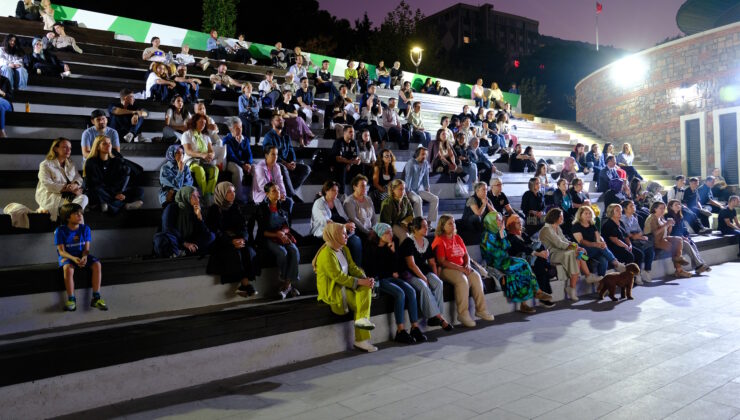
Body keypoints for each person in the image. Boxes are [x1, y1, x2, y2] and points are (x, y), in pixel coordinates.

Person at [313, 223, 377, 353]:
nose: (346, 236)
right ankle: (361, 336)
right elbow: (339, 277)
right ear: (334, 235)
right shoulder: (326, 254)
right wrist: (361, 282)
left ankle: (361, 337)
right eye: (343, 233)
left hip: (344, 286)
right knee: (363, 301)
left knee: (365, 290)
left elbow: (353, 268)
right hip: (332, 291)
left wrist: (365, 278)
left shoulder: (343, 249)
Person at [364, 223, 427, 344]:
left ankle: (415, 327)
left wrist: (393, 252)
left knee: (411, 291)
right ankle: (400, 330)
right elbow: (372, 270)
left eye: (391, 232)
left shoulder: (390, 247)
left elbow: (395, 268)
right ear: (380, 234)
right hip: (379, 280)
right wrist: (390, 272)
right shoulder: (370, 248)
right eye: (387, 233)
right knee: (400, 294)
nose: (390, 235)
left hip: (389, 277)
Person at [481, 211, 553, 314]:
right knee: (522, 265)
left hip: (505, 259)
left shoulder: (500, 231)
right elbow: (494, 253)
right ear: (490, 221)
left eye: (500, 219)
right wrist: (502, 239)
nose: (500, 221)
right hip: (495, 262)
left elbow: (506, 246)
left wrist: (502, 234)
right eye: (497, 219)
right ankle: (536, 292)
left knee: (522, 269)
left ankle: (526, 302)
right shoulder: (487, 235)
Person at [433, 214, 495, 327]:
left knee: (475, 276)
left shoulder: (457, 237)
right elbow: (442, 261)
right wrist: (460, 268)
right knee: (462, 280)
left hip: (462, 267)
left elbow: (465, 253)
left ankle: (481, 310)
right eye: (450, 223)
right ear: (442, 226)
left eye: (454, 223)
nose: (453, 225)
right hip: (446, 269)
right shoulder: (440, 240)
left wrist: (467, 265)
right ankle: (463, 314)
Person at [206, 182, 258, 297]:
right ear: (222, 193)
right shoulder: (214, 209)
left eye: (234, 191)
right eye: (229, 192)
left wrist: (242, 239)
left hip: (238, 239)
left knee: (248, 251)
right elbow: (215, 231)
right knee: (235, 253)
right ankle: (245, 284)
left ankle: (244, 286)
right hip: (222, 241)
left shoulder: (235, 206)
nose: (232, 194)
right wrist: (231, 241)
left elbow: (243, 226)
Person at [400, 217, 453, 331]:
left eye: (426, 226)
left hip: (423, 270)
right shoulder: (408, 242)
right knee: (424, 287)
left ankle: (435, 317)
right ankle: (439, 317)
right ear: (415, 228)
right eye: (423, 226)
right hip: (410, 273)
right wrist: (425, 279)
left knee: (438, 283)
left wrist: (434, 277)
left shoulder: (426, 241)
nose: (427, 228)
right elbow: (411, 265)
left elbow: (432, 262)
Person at [55, 203, 107, 312]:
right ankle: (71, 300)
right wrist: (73, 259)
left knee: (97, 264)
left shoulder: (85, 228)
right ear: (67, 217)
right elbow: (61, 251)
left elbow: (86, 249)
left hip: (81, 255)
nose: (80, 215)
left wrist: (84, 257)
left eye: (81, 213)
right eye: (76, 213)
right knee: (68, 268)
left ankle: (96, 298)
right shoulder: (60, 231)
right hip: (68, 256)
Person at [539, 208, 596, 301]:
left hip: (562, 251)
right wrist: (577, 248)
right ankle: (586, 276)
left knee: (577, 253)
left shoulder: (557, 227)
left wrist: (577, 247)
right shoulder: (546, 229)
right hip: (552, 254)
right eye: (561, 216)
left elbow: (565, 241)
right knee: (577, 253)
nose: (562, 218)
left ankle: (577, 283)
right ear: (555, 217)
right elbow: (559, 244)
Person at [83, 135, 144, 213]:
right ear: (98, 147)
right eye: (104, 144)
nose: (108, 145)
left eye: (110, 143)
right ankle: (122, 206)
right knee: (92, 193)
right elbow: (94, 184)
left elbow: (121, 179)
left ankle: (107, 205)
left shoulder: (116, 160)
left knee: (139, 191)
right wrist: (113, 195)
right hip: (101, 191)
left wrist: (119, 192)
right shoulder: (91, 162)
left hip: (114, 191)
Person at [505, 214, 556, 305]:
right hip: (519, 259)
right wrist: (539, 253)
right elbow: (522, 248)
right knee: (541, 268)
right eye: (517, 223)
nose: (520, 224)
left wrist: (545, 251)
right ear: (512, 224)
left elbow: (531, 243)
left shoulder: (523, 234)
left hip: (530, 258)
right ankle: (547, 268)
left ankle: (544, 296)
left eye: (520, 222)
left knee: (540, 253)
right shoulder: (510, 237)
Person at [153, 186, 215, 258]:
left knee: (211, 236)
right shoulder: (171, 207)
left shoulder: (195, 210)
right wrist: (184, 243)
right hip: (175, 241)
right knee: (160, 239)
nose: (197, 199)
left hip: (189, 242)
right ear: (185, 195)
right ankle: (178, 251)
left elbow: (204, 232)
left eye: (198, 197)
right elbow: (168, 229)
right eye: (194, 196)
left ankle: (183, 252)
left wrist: (199, 217)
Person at [311, 180, 363, 266]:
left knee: (357, 239)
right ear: (326, 191)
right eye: (333, 190)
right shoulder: (319, 203)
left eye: (337, 191)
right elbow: (328, 223)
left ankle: (357, 271)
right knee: (353, 243)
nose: (336, 193)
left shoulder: (337, 201)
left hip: (340, 232)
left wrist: (350, 224)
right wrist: (344, 226)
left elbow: (345, 218)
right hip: (325, 233)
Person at [36, 138, 88, 221]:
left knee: (84, 198)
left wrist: (75, 184)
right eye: (65, 147)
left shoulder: (71, 163)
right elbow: (47, 184)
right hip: (52, 196)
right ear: (55, 149)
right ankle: (76, 227)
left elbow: (78, 178)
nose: (68, 150)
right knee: (76, 211)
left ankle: (69, 220)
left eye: (70, 148)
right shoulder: (45, 164)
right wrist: (68, 189)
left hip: (69, 196)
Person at [571, 205, 622, 279]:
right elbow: (581, 241)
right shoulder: (576, 226)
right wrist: (596, 244)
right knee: (600, 247)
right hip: (582, 252)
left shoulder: (591, 224)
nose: (588, 215)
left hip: (594, 249)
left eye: (589, 213)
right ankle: (616, 263)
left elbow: (598, 237)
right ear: (580, 215)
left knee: (604, 260)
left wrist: (602, 242)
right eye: (586, 213)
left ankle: (601, 279)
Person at [665, 199, 712, 275]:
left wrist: (686, 236)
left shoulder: (680, 216)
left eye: (679, 204)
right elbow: (671, 231)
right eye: (676, 205)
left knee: (692, 244)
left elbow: (684, 229)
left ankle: (698, 267)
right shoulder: (667, 216)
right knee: (687, 243)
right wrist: (682, 237)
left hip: (682, 237)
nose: (678, 206)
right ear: (670, 207)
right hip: (672, 238)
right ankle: (700, 265)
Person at [646, 201, 692, 278]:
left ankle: (678, 261)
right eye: (660, 208)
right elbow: (655, 233)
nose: (663, 210)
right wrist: (666, 224)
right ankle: (679, 270)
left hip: (663, 238)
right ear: (655, 209)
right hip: (655, 240)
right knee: (674, 249)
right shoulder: (652, 218)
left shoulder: (661, 217)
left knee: (679, 239)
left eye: (664, 208)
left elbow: (667, 233)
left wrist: (670, 226)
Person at [181, 114, 218, 205]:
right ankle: (205, 196)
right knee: (199, 170)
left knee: (215, 169)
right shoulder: (186, 134)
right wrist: (202, 155)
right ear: (195, 122)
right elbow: (188, 151)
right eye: (201, 122)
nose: (203, 124)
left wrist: (211, 155)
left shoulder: (206, 137)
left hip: (204, 160)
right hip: (191, 159)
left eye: (205, 123)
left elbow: (211, 151)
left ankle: (209, 193)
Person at [252, 145, 293, 217]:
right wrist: (276, 194)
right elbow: (263, 186)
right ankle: (273, 223)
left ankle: (286, 223)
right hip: (264, 194)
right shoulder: (260, 167)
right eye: (273, 154)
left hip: (276, 193)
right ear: (266, 155)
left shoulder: (277, 166)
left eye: (276, 154)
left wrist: (282, 194)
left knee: (289, 201)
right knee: (272, 202)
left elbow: (280, 182)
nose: (275, 157)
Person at [620, 200, 655, 283]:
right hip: (628, 240)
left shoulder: (634, 218)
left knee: (650, 250)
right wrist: (636, 236)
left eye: (634, 206)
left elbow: (640, 231)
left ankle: (647, 271)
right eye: (631, 206)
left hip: (637, 238)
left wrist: (638, 236)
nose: (633, 207)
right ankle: (637, 274)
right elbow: (627, 233)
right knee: (640, 252)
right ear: (625, 209)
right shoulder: (622, 218)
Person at [404, 147, 439, 225]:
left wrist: (427, 189)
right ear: (417, 154)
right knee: (419, 200)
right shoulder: (411, 163)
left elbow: (426, 177)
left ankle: (429, 223)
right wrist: (406, 194)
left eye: (426, 155)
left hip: (418, 190)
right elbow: (408, 180)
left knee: (435, 198)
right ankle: (420, 223)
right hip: (409, 190)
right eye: (423, 154)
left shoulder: (425, 163)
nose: (424, 156)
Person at [221, 117, 252, 201]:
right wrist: (242, 165)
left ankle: (253, 196)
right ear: (231, 129)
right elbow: (231, 156)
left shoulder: (245, 139)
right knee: (238, 170)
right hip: (231, 162)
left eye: (241, 127)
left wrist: (248, 163)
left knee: (255, 168)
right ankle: (238, 197)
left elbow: (249, 154)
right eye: (237, 128)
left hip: (243, 163)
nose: (240, 130)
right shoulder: (226, 140)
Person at [344, 175, 377, 241]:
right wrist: (368, 232)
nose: (365, 188)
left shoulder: (368, 199)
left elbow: (374, 216)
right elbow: (354, 220)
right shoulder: (349, 201)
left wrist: (374, 229)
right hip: (359, 231)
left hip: (371, 229)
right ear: (354, 187)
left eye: (366, 186)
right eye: (362, 186)